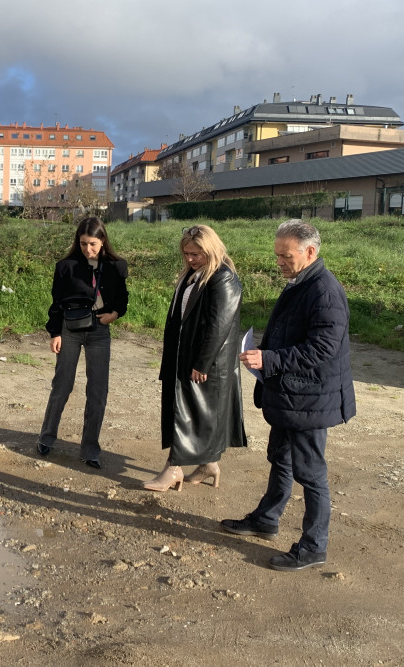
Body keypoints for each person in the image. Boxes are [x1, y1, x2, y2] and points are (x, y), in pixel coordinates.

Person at [222, 219, 356, 571]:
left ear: (309, 252)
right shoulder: (299, 283)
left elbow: (321, 349)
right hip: (291, 394)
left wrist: (269, 358)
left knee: (311, 473)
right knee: (280, 457)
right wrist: (265, 354)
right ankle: (267, 519)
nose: (279, 261)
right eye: (277, 255)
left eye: (286, 255)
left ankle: (314, 547)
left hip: (311, 399)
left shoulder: (325, 291)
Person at [144, 225, 247, 491]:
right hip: (184, 356)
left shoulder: (223, 278)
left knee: (186, 414)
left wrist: (202, 362)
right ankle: (208, 464)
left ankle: (174, 469)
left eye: (196, 254)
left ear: (210, 250)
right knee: (194, 414)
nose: (190, 259)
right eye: (187, 253)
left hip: (205, 363)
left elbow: (219, 325)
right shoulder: (194, 274)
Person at [37, 217, 128, 469]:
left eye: (93, 244)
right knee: (62, 385)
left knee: (97, 391)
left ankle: (90, 449)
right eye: (83, 244)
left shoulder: (116, 266)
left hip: (100, 330)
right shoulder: (66, 266)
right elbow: (55, 303)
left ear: (103, 242)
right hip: (70, 329)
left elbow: (123, 298)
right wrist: (54, 333)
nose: (88, 249)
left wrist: (116, 314)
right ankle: (46, 437)